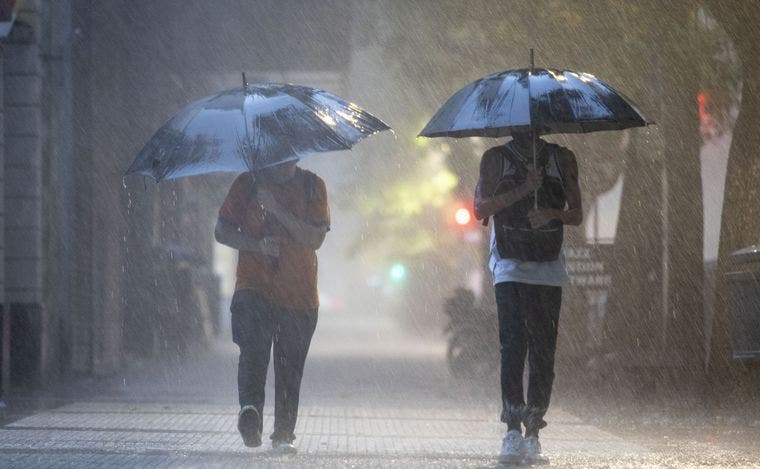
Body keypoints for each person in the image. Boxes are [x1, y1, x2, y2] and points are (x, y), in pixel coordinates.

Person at [474, 131, 582, 465]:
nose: (528, 130)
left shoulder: (562, 158)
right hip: (509, 266)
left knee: (543, 349)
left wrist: (551, 213)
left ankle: (534, 430)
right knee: (513, 345)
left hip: (548, 268)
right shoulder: (495, 159)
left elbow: (577, 214)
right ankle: (512, 427)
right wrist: (524, 188)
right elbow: (480, 208)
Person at [215, 159, 330, 454]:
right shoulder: (247, 184)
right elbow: (222, 231)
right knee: (253, 352)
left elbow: (315, 238)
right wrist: (257, 245)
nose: (283, 160)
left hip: (299, 295)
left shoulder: (313, 186)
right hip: (254, 287)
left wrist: (276, 209)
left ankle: (283, 434)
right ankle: (250, 413)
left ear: (297, 155)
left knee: (290, 367)